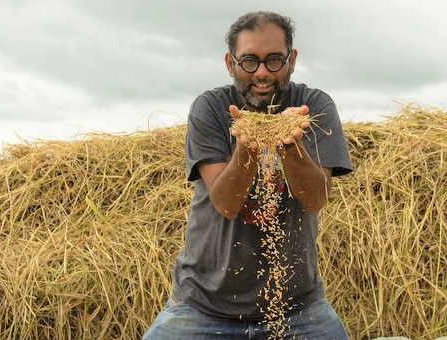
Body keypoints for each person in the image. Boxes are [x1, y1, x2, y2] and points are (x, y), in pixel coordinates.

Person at [143, 11, 353, 339]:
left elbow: (315, 199)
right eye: (249, 62)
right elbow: (225, 203)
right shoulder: (211, 108)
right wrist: (248, 146)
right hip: (205, 305)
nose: (262, 74)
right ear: (230, 63)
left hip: (297, 307)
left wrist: (291, 145)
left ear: (292, 59)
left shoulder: (313, 107)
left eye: (274, 60)